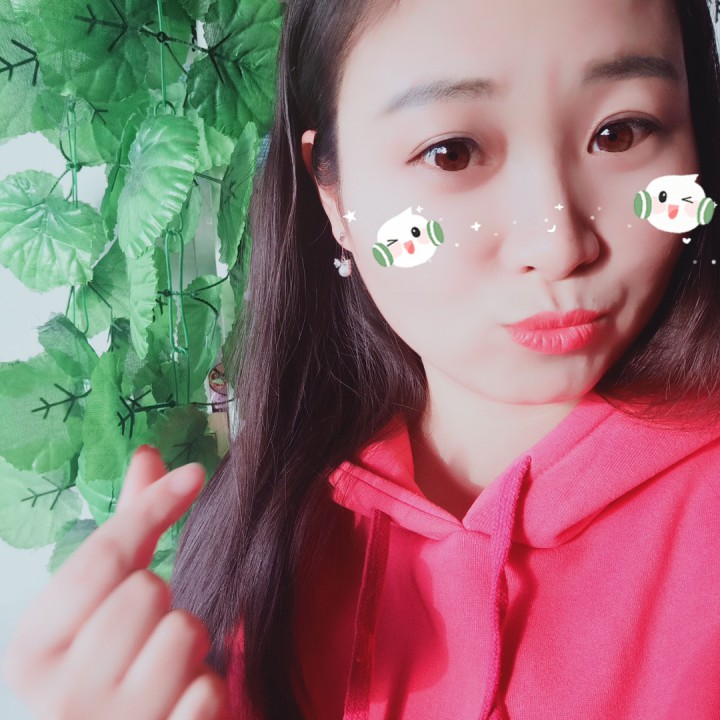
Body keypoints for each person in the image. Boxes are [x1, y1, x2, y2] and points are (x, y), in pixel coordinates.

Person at [3, 0, 720, 718]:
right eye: (452, 152)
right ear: (333, 192)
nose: (558, 244)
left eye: (621, 133)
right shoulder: (274, 542)